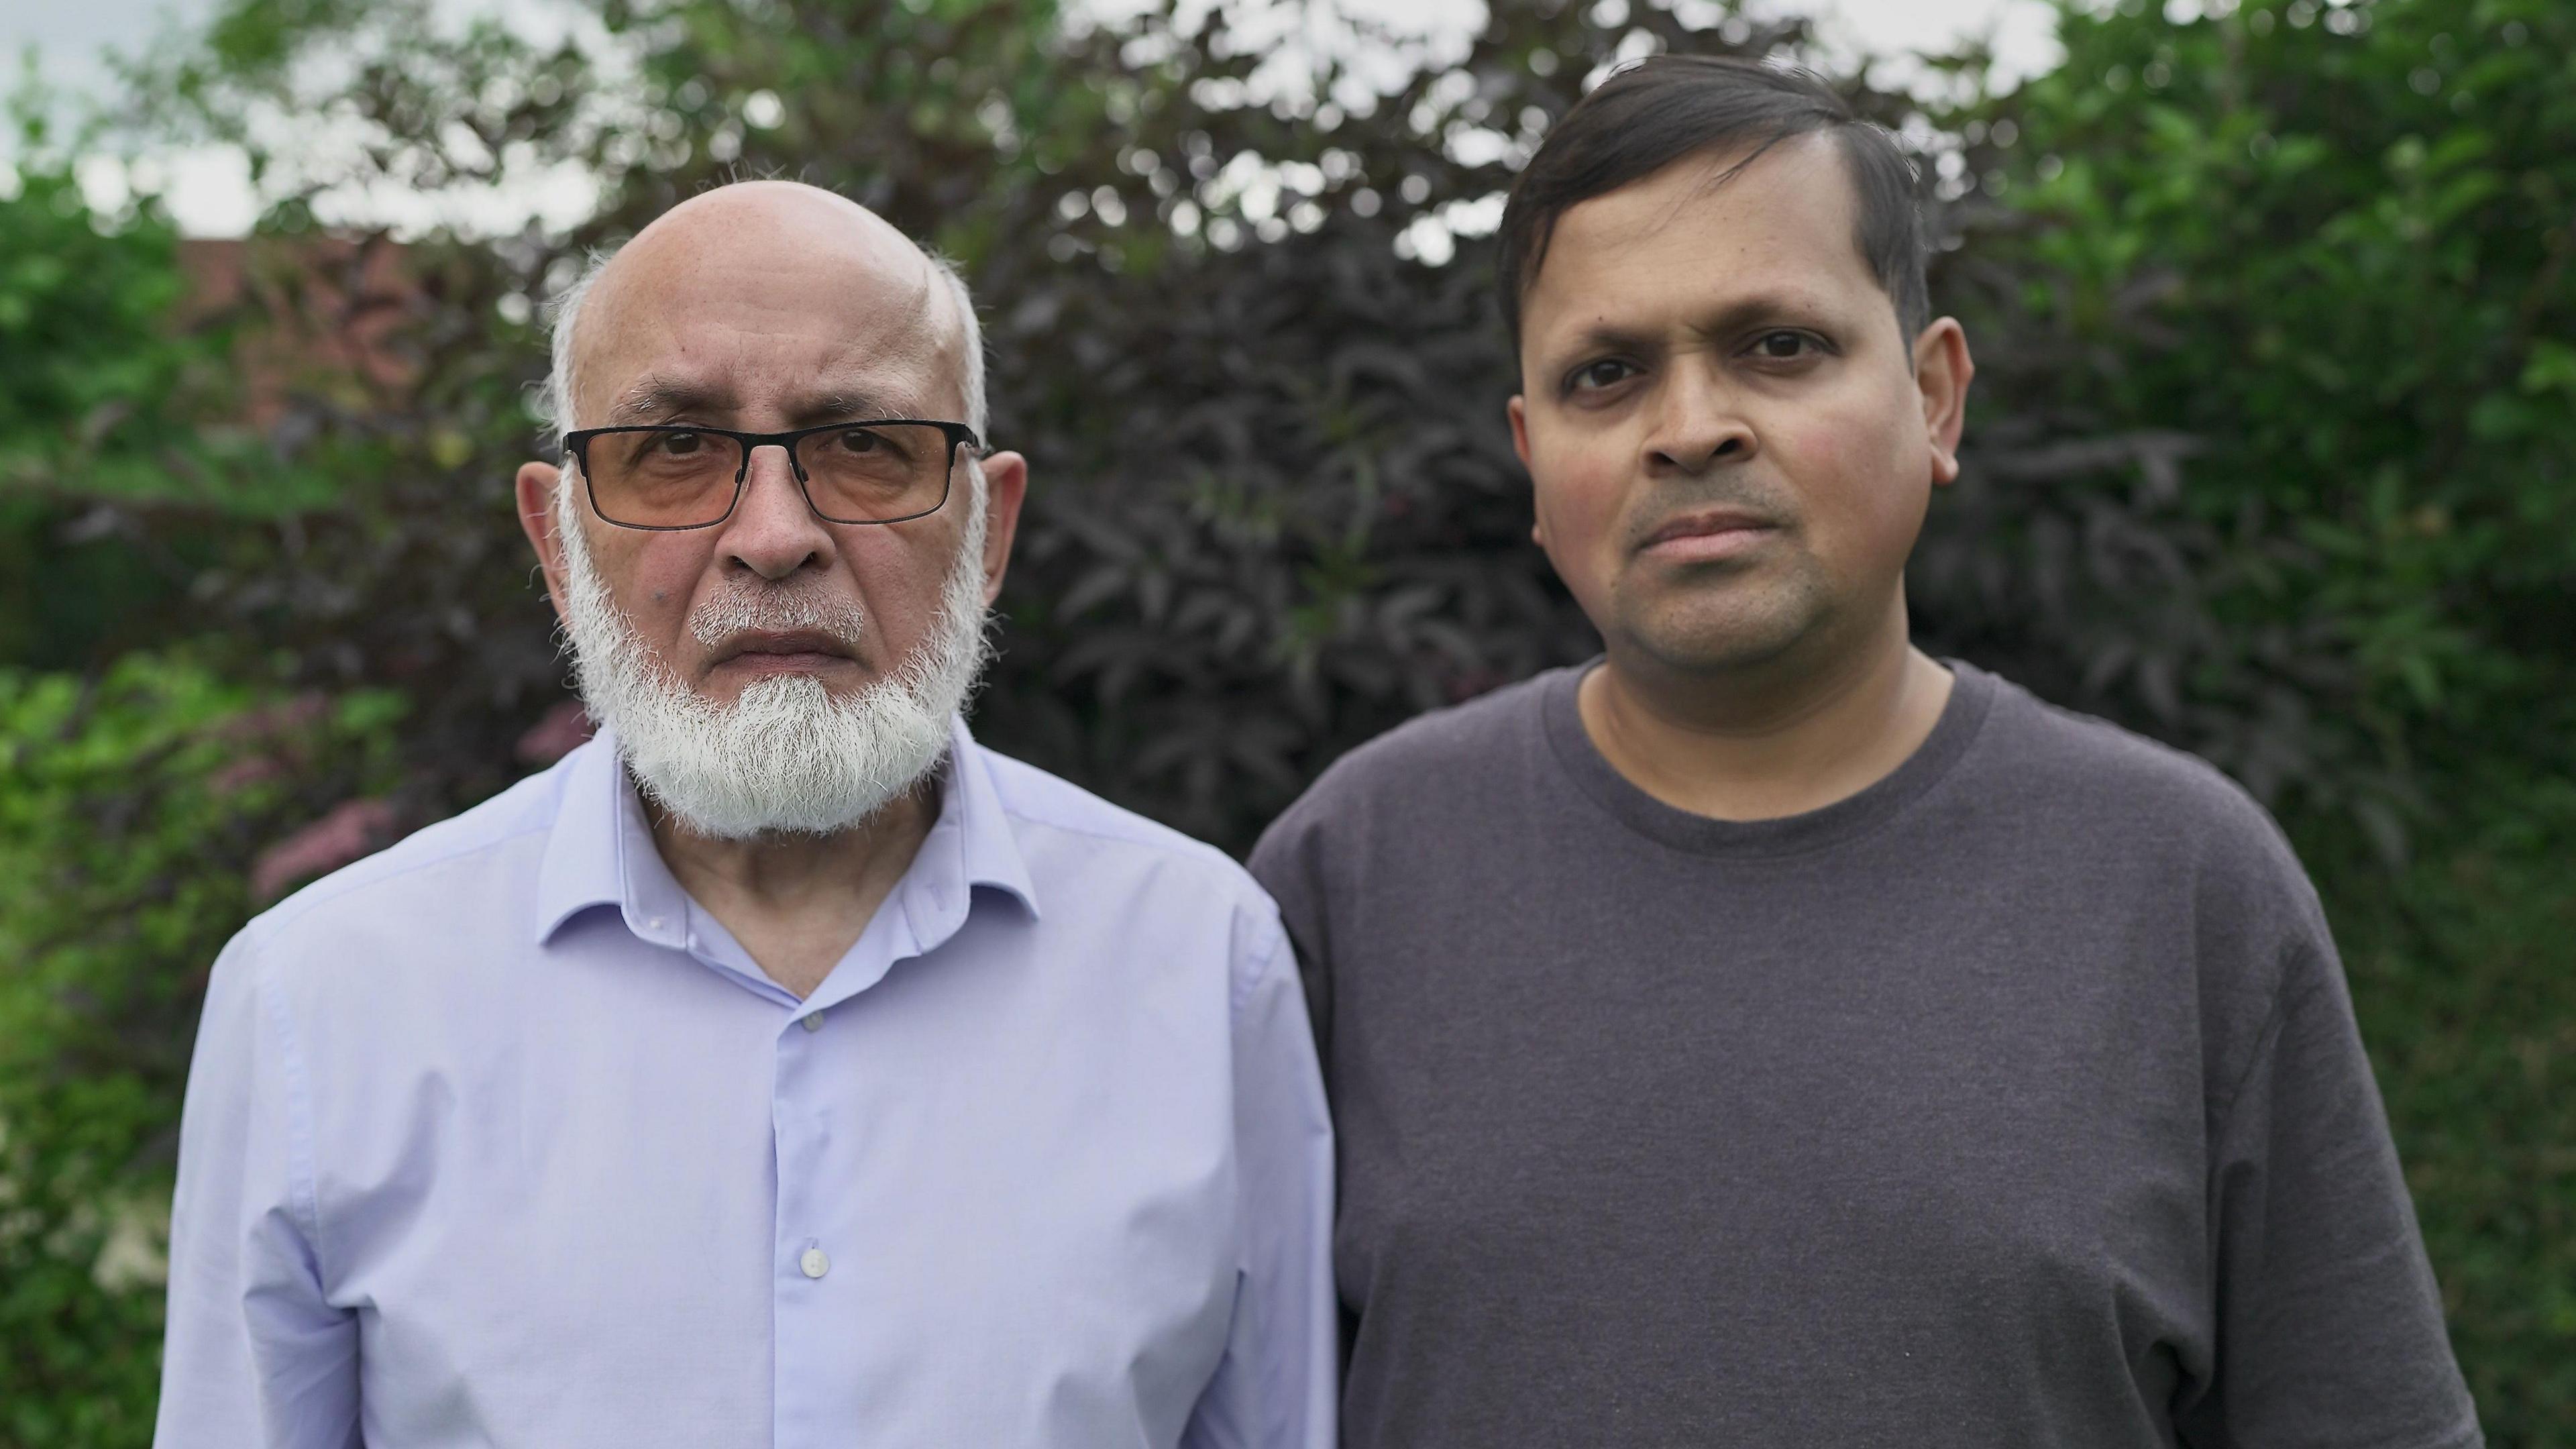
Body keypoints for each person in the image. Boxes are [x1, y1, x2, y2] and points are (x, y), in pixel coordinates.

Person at [1249, 56, 2478, 1448]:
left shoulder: (2181, 884)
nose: (1692, 425)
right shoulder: (1352, 875)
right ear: (1536, 460)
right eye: (1608, 374)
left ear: (1935, 395)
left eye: (1780, 345)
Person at [156, 180, 1334, 1448]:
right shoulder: (320, 999)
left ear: (987, 534)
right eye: (675, 451)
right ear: (557, 545)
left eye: (864, 444)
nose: (775, 538)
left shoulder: (1204, 959)